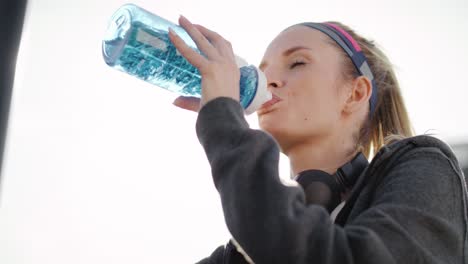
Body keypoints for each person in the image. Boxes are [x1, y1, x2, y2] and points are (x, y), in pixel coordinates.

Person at [169, 15, 468, 263]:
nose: (269, 80)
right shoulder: (245, 248)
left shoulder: (426, 165)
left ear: (356, 93)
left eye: (297, 63)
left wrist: (223, 122)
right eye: (262, 72)